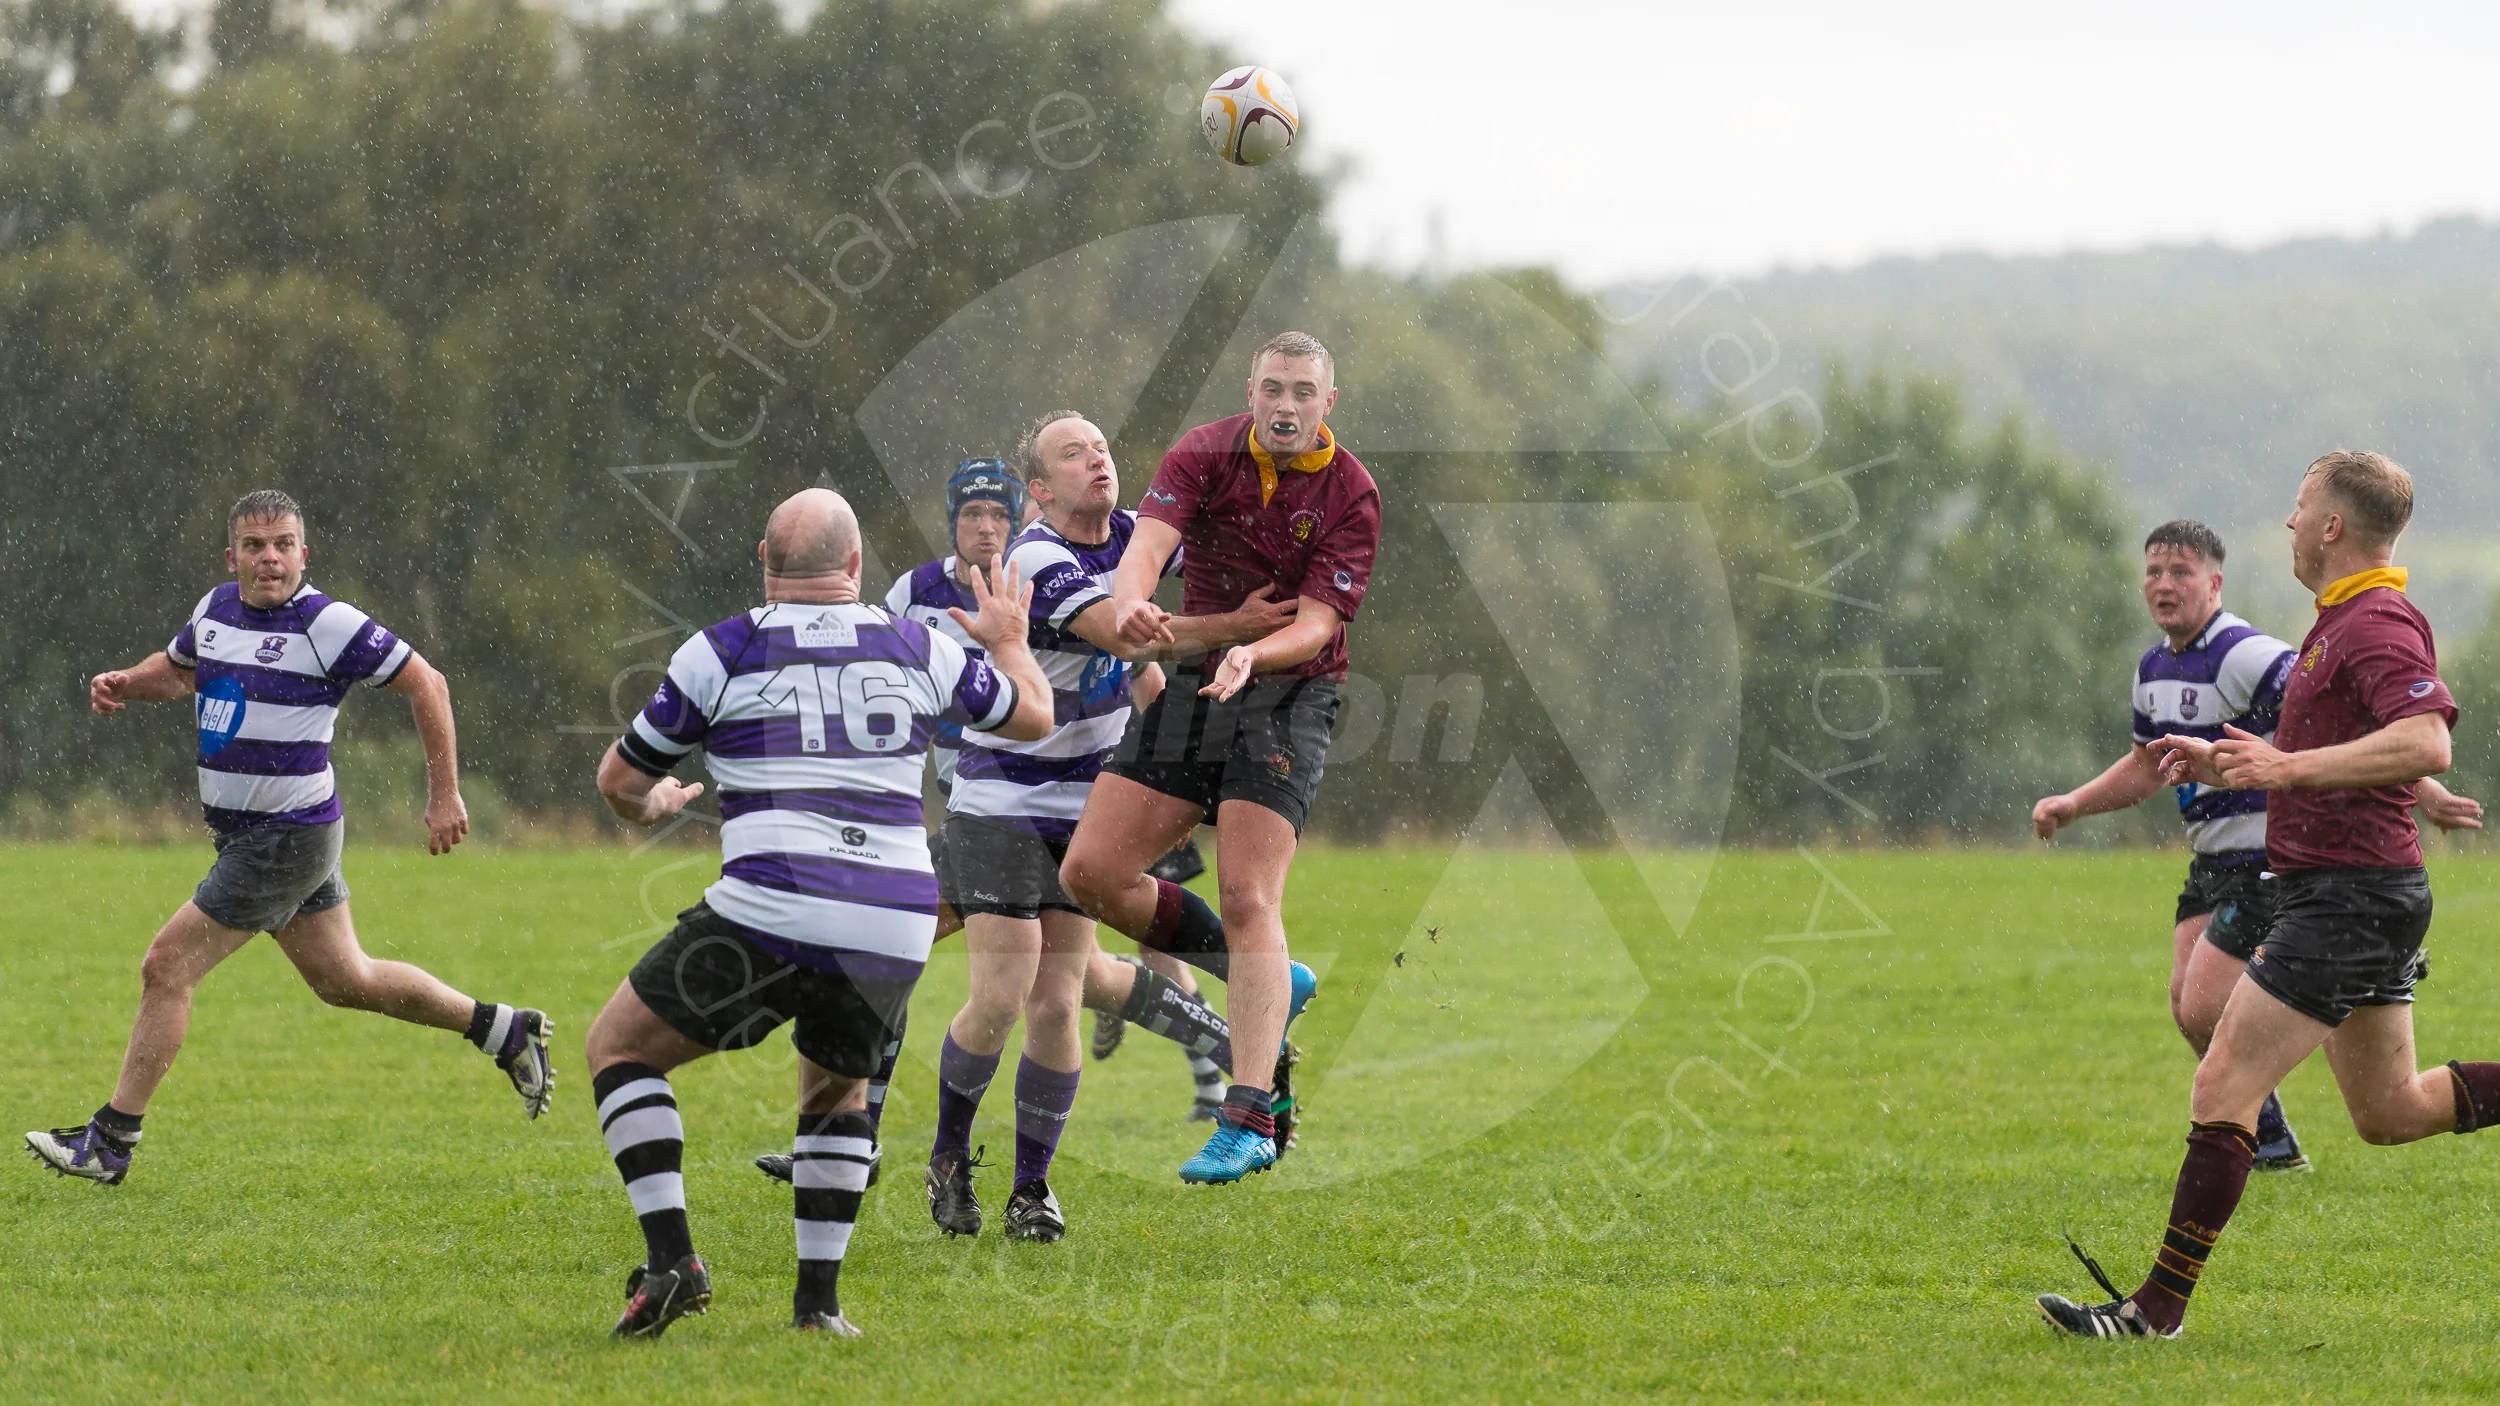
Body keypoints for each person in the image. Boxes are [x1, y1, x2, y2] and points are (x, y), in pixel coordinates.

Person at [2039, 451, 2500, 1339]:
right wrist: (2224, 762)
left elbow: (2426, 742)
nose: (2289, 522)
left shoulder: (2375, 622)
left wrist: (2285, 768)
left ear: (2332, 526)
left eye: (2299, 507)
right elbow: (2324, 757)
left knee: (2223, 1078)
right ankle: (2155, 1312)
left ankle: (2152, 1313)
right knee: (2389, 1111)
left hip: (2347, 899)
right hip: (2363, 892)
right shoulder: (2337, 622)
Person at [585, 488, 1051, 1338]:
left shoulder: (722, 649)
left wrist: (651, 807)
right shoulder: (918, 644)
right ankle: (819, 1309)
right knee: (838, 1090)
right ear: (856, 564)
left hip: (774, 904)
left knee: (618, 1048)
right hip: (894, 918)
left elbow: (619, 780)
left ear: (765, 561)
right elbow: (1033, 717)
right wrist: (1011, 641)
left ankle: (673, 1262)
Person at [25, 491, 553, 1188]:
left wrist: (444, 794)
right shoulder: (216, 609)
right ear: (232, 556)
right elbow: (181, 671)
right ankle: (503, 1030)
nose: (268, 558)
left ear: (304, 554)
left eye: (282, 545)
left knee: (167, 966)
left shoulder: (328, 624)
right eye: (254, 546)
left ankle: (111, 1141)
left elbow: (428, 684)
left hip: (285, 838)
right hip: (264, 837)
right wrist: (129, 682)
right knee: (346, 980)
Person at [918, 410, 1284, 1239]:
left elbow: (1231, 555)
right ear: (1040, 489)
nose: (1097, 461)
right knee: (1001, 996)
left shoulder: (1136, 538)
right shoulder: (1034, 556)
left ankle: (1031, 1189)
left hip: (1086, 810)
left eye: (1103, 448)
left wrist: (1301, 547)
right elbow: (1126, 631)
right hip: (999, 803)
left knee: (1057, 1003)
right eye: (1073, 454)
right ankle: (948, 1158)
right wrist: (1239, 627)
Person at [1060, 330, 1380, 1184]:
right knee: (1091, 872)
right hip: (1200, 680)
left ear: (1328, 402)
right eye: (1273, 388)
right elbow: (1145, 550)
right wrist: (1132, 606)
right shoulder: (1203, 452)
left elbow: (1316, 624)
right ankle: (1267, 978)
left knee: (1245, 894)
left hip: (1292, 695)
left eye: (1303, 392)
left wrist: (1253, 654)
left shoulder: (1352, 491)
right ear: (1250, 390)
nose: (1286, 405)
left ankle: (1248, 1118)